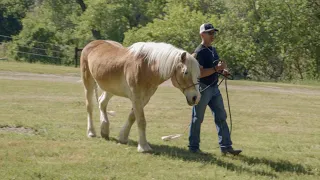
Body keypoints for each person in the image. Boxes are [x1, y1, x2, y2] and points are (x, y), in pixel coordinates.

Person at [188, 23, 242, 155]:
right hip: (203, 88)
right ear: (202, 35)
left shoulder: (213, 50)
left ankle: (226, 146)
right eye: (210, 33)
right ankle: (193, 147)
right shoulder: (198, 52)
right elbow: (199, 73)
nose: (213, 35)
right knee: (197, 118)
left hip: (214, 88)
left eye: (213, 33)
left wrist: (223, 71)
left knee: (221, 116)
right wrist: (216, 69)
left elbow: (216, 67)